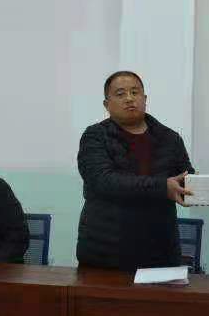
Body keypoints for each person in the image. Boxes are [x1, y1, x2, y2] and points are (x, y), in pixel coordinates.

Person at [76, 71, 194, 270]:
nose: (129, 98)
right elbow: (103, 180)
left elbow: (185, 179)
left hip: (160, 251)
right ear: (106, 104)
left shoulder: (170, 138)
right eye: (120, 94)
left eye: (135, 92)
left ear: (145, 99)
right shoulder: (95, 136)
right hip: (105, 251)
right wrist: (162, 187)